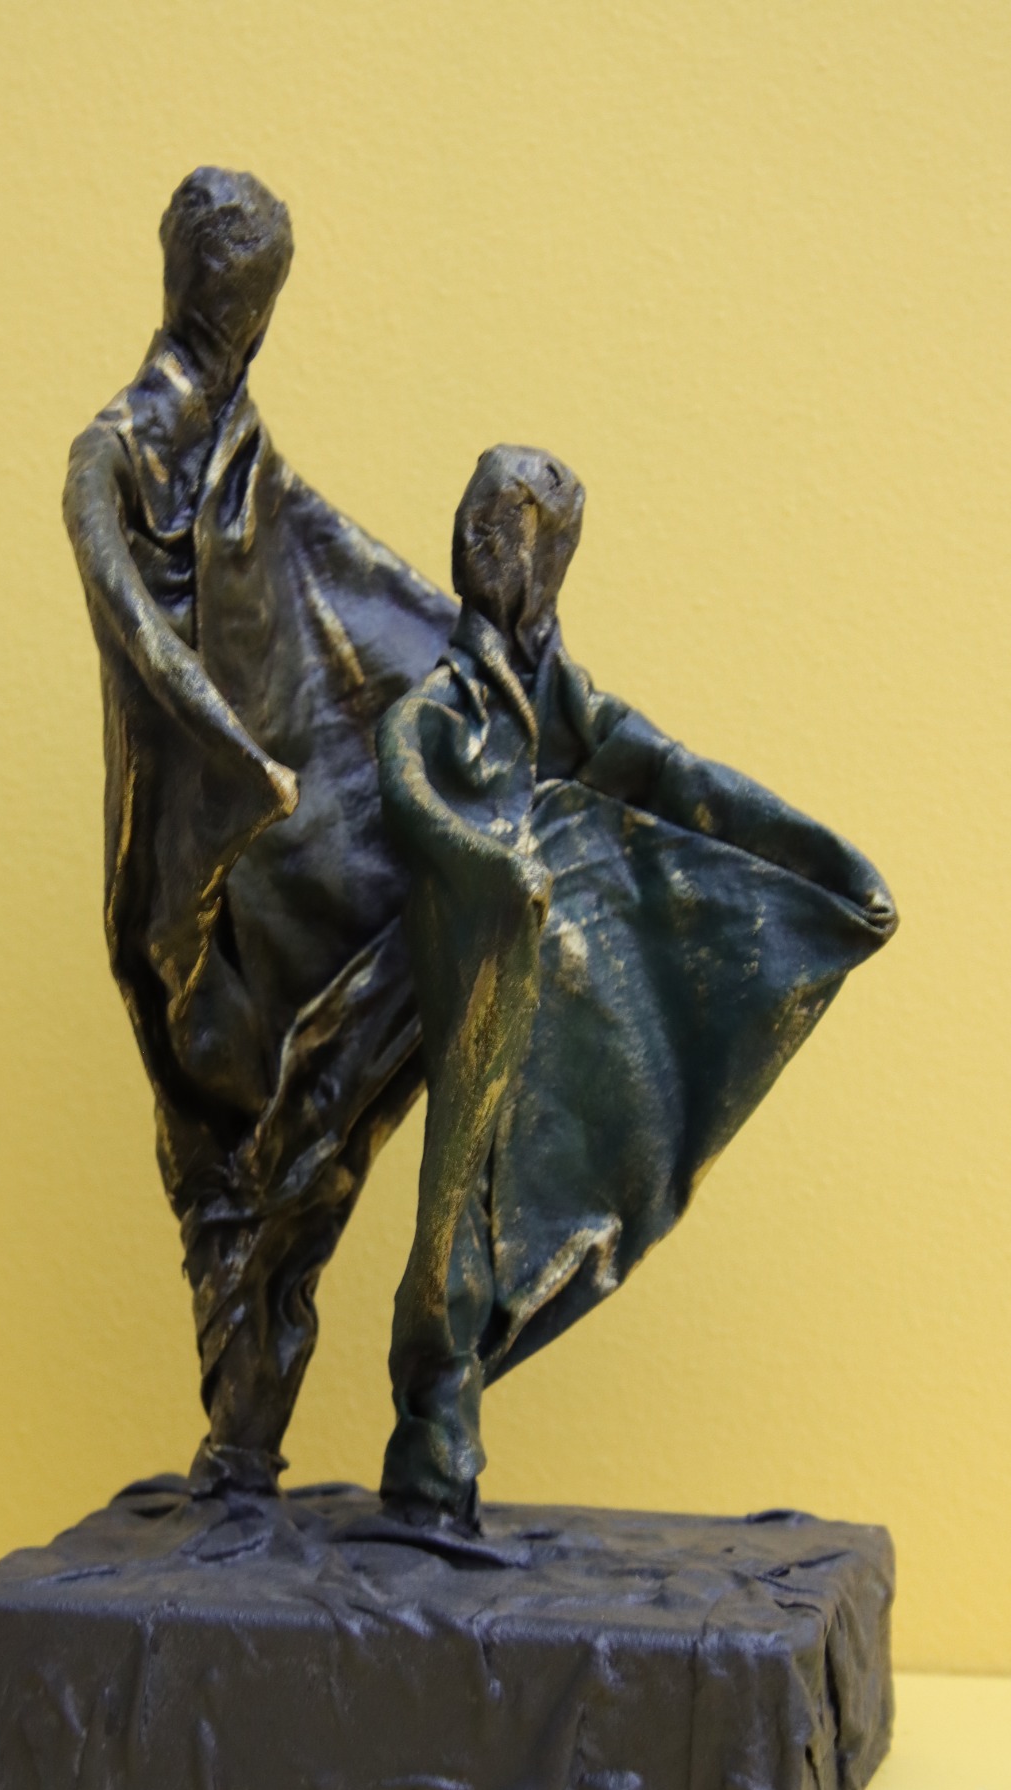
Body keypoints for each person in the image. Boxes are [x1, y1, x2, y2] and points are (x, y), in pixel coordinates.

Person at [378, 445, 898, 1524]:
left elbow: (669, 773)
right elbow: (410, 780)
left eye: (538, 549)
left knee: (539, 1168)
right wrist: (491, 867)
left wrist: (812, 859)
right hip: (474, 963)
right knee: (456, 1194)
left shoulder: (560, 696)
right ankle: (431, 1446)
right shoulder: (448, 702)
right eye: (506, 544)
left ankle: (446, 1444)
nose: (518, 569)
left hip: (548, 969)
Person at [64, 169, 453, 1494]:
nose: (240, 319)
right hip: (182, 857)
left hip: (280, 846)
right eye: (227, 292)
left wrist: (487, 668)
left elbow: (353, 579)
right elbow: (136, 628)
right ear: (181, 279)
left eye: (257, 298)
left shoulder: (250, 454)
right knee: (209, 1125)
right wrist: (235, 757)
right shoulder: (111, 455)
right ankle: (238, 1453)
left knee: (302, 1123)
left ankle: (241, 1455)